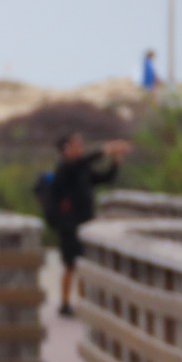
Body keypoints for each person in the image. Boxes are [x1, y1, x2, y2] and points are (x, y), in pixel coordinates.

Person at [51, 133, 131, 317]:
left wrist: (115, 161)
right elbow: (82, 161)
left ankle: (84, 303)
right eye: (76, 145)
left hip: (86, 225)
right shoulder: (64, 168)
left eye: (81, 145)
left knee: (85, 264)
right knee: (70, 264)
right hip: (69, 225)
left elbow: (105, 179)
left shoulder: (82, 169)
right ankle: (64, 304)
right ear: (65, 149)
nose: (80, 148)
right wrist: (105, 149)